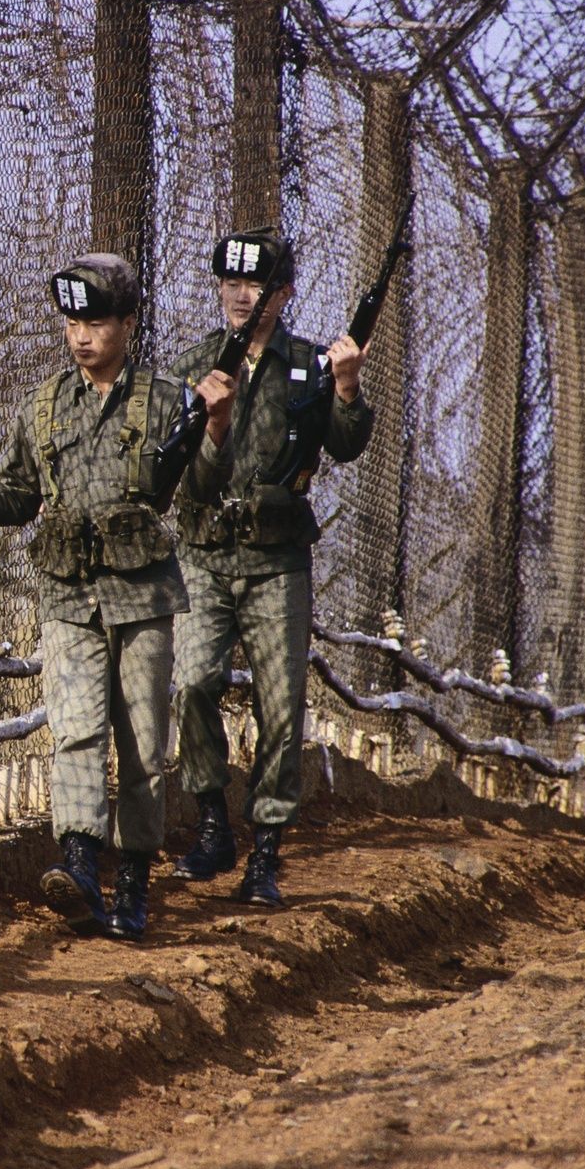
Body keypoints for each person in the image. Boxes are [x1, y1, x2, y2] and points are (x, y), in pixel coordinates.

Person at [0, 254, 234, 940]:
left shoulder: (167, 400)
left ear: (127, 322)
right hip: (68, 592)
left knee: (143, 742)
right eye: (71, 321)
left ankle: (134, 884)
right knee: (75, 730)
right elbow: (19, 495)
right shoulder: (41, 405)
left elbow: (204, 488)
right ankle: (80, 868)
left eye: (96, 320)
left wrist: (213, 427)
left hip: (142, 593)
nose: (82, 335)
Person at [167, 227, 373, 906]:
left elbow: (345, 445)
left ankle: (266, 850)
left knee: (279, 701)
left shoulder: (309, 365)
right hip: (203, 550)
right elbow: (175, 461)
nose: (238, 296)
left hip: (276, 555)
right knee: (192, 682)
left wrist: (345, 387)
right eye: (229, 283)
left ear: (282, 294)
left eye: (253, 286)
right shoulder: (196, 362)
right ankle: (208, 821)